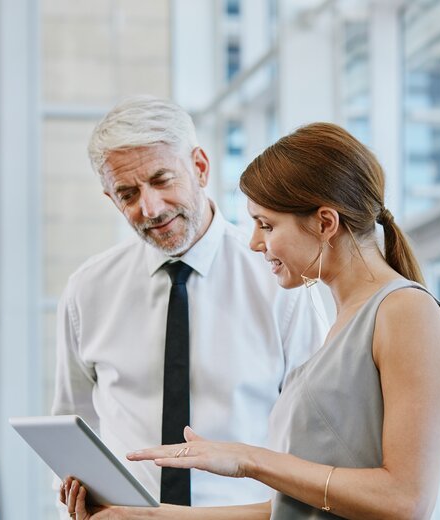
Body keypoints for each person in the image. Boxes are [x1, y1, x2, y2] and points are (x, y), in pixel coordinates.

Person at [61, 122, 440, 519]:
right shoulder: (345, 319)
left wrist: (249, 459)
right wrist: (146, 516)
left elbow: (407, 500)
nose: (253, 242)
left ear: (324, 223)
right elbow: (290, 511)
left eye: (266, 225)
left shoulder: (405, 311)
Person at [52, 96, 328, 509]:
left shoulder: (280, 281)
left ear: (200, 167)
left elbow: (318, 434)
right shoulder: (87, 290)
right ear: (111, 200)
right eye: (127, 194)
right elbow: (72, 423)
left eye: (162, 180)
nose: (150, 208)